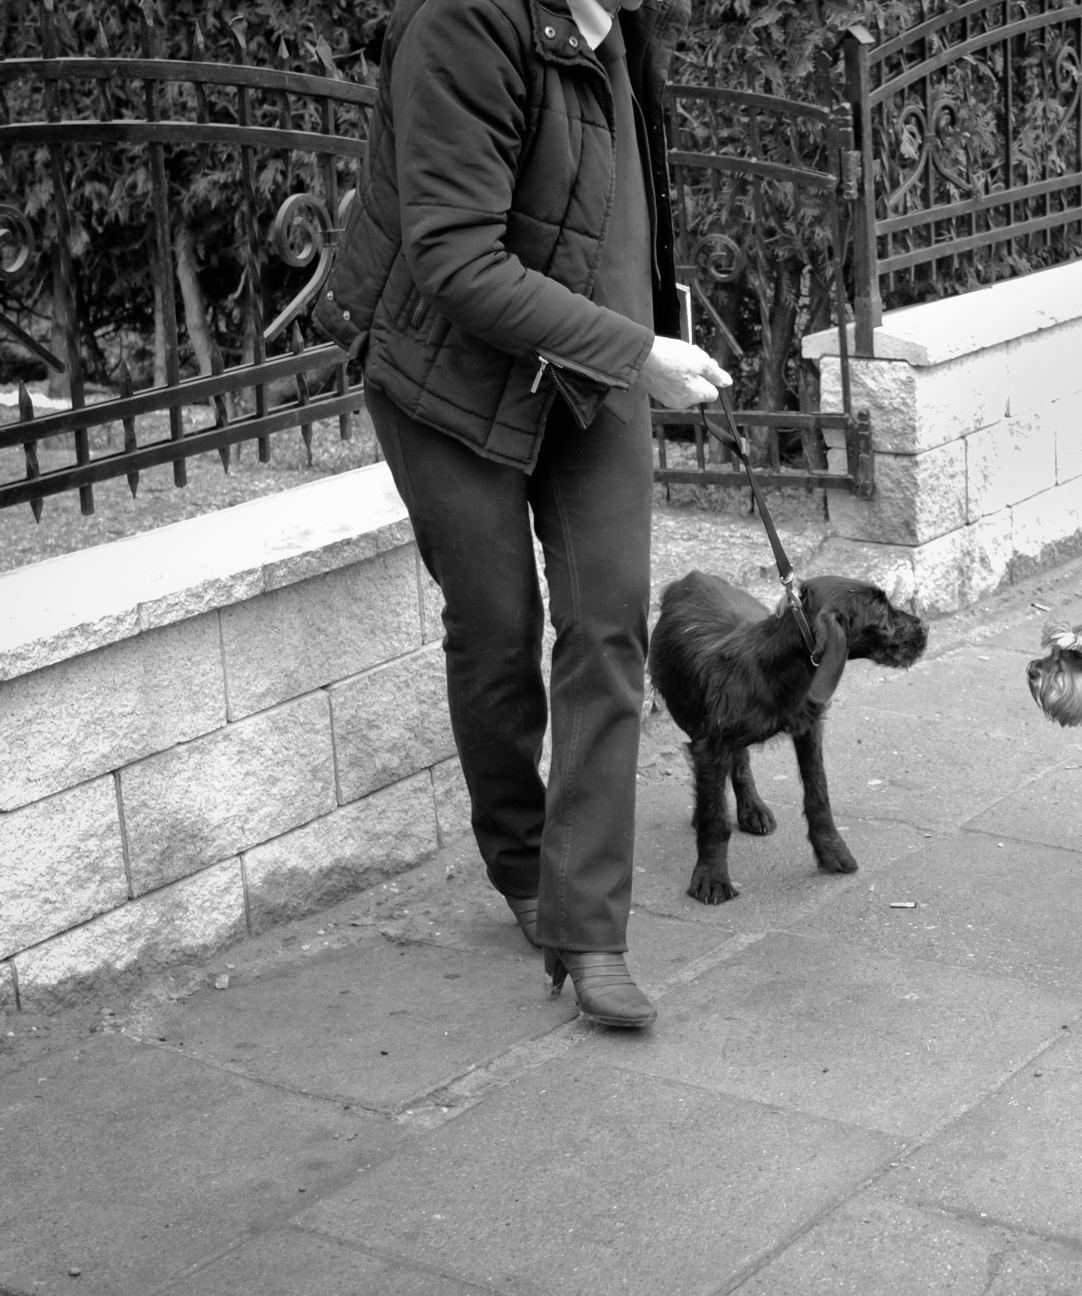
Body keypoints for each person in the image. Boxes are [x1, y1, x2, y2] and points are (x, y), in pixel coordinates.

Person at [316, 0, 731, 1028]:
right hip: (448, 377)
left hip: (590, 372)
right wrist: (638, 351)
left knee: (607, 623)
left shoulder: (620, 25)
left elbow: (620, 209)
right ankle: (521, 859)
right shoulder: (459, 22)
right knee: (498, 628)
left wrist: (639, 337)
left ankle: (589, 930)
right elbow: (456, 258)